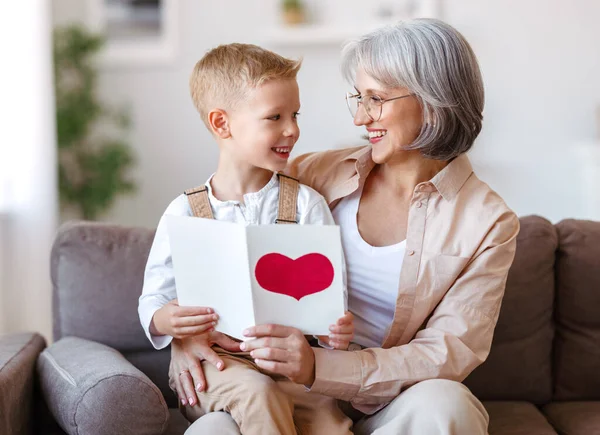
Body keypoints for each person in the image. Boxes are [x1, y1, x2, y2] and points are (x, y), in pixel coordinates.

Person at [172, 18, 520, 435]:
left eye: (375, 99)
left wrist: (320, 367)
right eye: (358, 97)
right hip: (280, 396)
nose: (359, 117)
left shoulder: (487, 222)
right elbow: (212, 244)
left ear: (433, 101)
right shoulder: (310, 174)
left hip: (385, 404)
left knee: (447, 405)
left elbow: (447, 353)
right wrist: (185, 337)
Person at [138, 43, 354, 434]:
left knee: (329, 422)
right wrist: (169, 320)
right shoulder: (184, 212)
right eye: (274, 117)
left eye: (295, 115)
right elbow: (153, 298)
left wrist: (333, 328)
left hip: (290, 360)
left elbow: (330, 296)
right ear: (222, 124)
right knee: (257, 394)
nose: (292, 129)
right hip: (217, 365)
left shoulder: (307, 204)